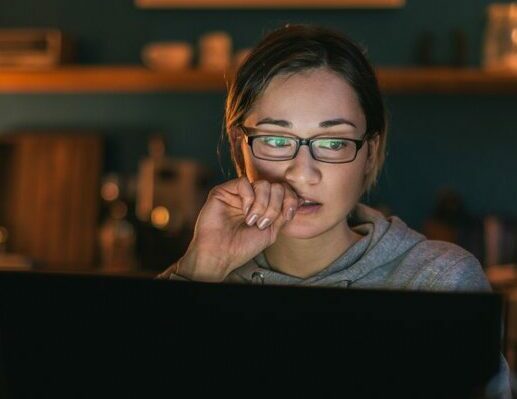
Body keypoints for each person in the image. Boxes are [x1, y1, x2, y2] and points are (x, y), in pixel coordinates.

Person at [157, 24, 511, 398]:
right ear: (238, 145)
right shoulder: (195, 281)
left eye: (333, 141)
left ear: (370, 152)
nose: (302, 173)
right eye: (277, 140)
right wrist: (200, 270)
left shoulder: (439, 281)